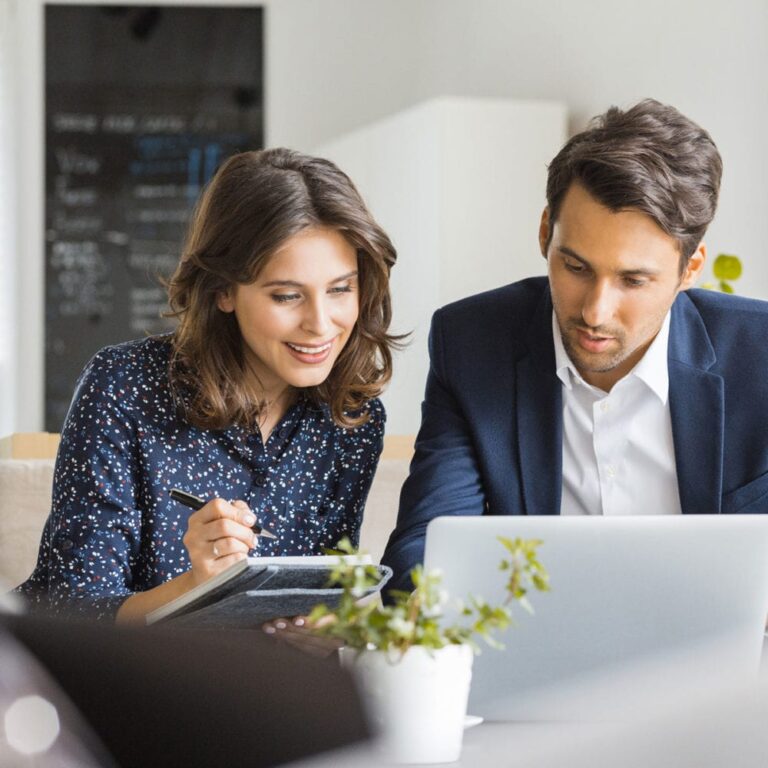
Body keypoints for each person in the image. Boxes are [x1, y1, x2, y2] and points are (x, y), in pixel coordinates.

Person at [382, 98, 768, 592]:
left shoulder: (758, 356)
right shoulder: (474, 343)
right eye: (576, 267)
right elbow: (424, 547)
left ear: (689, 270)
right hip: (531, 655)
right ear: (546, 233)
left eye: (633, 280)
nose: (595, 312)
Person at [17, 148, 400, 622]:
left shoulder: (353, 420)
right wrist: (197, 586)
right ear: (222, 291)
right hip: (109, 683)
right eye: (286, 296)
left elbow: (324, 595)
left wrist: (320, 630)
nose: (321, 324)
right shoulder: (122, 387)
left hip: (251, 688)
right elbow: (70, 612)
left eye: (341, 289)